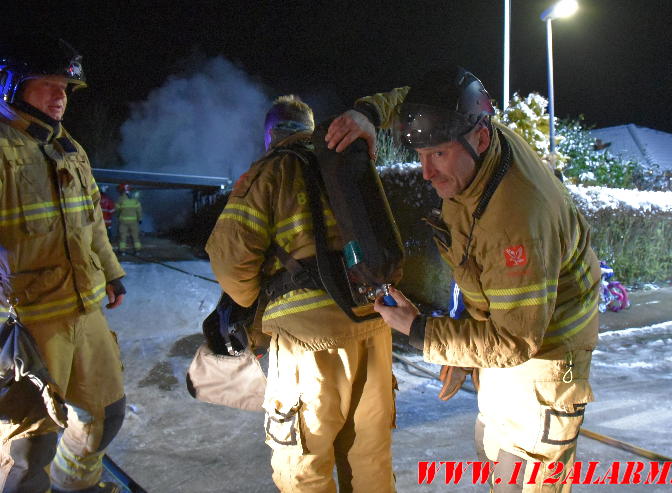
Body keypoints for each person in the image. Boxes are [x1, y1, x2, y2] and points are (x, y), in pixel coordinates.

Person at [326, 66, 600, 492]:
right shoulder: (475, 138)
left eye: (438, 154)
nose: (426, 172)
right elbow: (418, 99)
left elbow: (514, 343)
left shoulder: (516, 224)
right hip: (507, 347)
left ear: (481, 140)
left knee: (523, 478)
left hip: (543, 366)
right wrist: (369, 113)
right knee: (494, 456)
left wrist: (422, 331)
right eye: (421, 155)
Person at [206, 95, 396, 492]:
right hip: (374, 324)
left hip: (308, 344)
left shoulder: (270, 171)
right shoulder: (347, 164)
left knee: (304, 470)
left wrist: (252, 303)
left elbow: (229, 261)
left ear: (271, 135)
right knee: (371, 463)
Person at [0, 36, 127, 493]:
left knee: (106, 411)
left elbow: (93, 224)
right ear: (12, 85)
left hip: (83, 307)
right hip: (28, 320)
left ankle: (77, 486)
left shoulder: (69, 148)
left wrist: (111, 272)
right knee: (30, 439)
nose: (60, 96)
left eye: (67, 88)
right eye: (49, 85)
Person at [115, 183, 142, 254]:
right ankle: (137, 251)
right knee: (135, 236)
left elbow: (117, 211)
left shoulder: (120, 199)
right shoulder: (135, 200)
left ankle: (122, 251)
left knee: (122, 237)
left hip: (123, 222)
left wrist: (117, 217)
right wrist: (139, 219)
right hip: (134, 222)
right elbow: (139, 210)